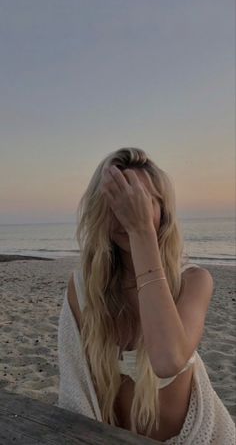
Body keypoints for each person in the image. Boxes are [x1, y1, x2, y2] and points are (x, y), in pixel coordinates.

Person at [57, 147, 235, 444]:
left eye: (138, 201)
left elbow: (167, 360)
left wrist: (141, 232)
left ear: (163, 210)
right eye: (116, 200)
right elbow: (77, 386)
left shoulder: (192, 281)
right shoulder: (85, 288)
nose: (126, 213)